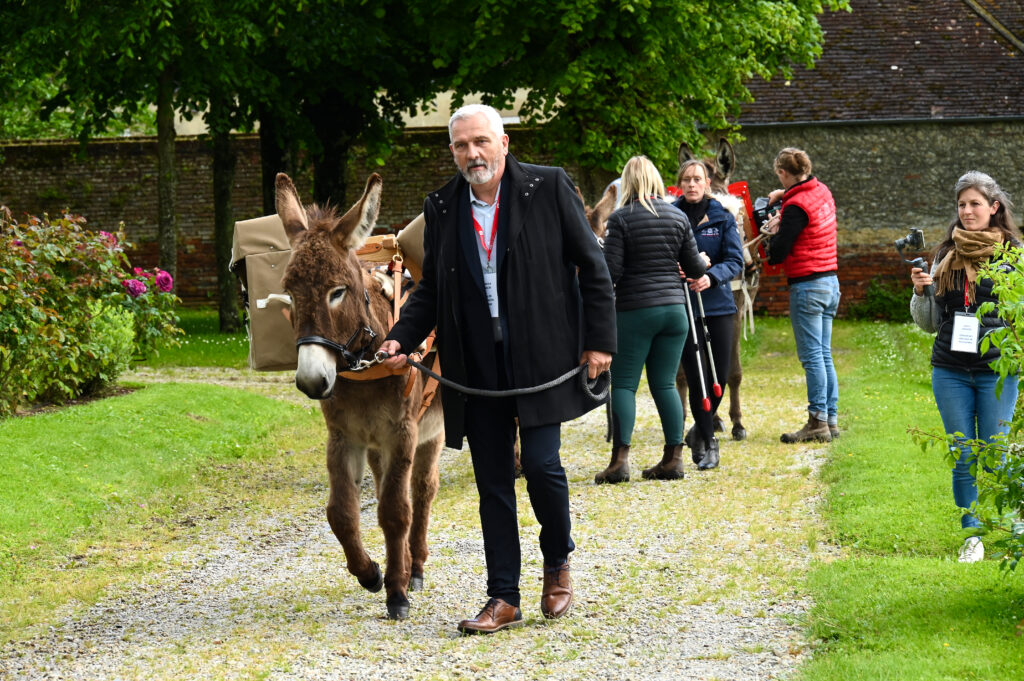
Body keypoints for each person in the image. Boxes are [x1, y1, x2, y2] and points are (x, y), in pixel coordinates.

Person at [378, 104, 616, 634]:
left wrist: (600, 341)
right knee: (491, 481)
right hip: (476, 365)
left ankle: (557, 563)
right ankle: (502, 595)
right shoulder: (440, 206)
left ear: (503, 143)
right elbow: (434, 289)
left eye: (481, 142)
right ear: (453, 151)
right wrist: (400, 337)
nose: (473, 154)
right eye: (462, 146)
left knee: (543, 465)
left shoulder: (549, 188)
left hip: (540, 357)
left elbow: (592, 266)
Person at [910, 170, 1022, 563]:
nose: (967, 211)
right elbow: (928, 323)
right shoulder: (945, 255)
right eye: (962, 204)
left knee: (995, 452)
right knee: (963, 453)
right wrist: (920, 291)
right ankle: (972, 535)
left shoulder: (1014, 255)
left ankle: (1010, 527)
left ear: (994, 208)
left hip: (997, 372)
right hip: (950, 370)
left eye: (975, 203)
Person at [593, 155, 707, 484]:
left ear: (626, 183)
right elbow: (696, 268)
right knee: (665, 384)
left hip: (635, 310)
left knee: (625, 384)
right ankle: (673, 459)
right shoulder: (677, 217)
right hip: (675, 312)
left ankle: (619, 462)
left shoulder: (621, 220)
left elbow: (610, 273)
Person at [761, 147, 840, 443]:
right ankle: (830, 420)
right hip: (831, 281)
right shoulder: (821, 191)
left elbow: (779, 252)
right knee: (824, 354)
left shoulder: (795, 209)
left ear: (783, 173)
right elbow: (803, 196)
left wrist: (773, 232)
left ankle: (816, 421)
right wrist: (782, 196)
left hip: (807, 285)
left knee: (812, 358)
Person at [673, 159, 744, 469]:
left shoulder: (721, 217)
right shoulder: (670, 216)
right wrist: (674, 268)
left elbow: (735, 260)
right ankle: (708, 441)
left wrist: (711, 275)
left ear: (706, 183)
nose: (691, 184)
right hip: (684, 306)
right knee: (697, 376)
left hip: (718, 305)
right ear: (680, 183)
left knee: (718, 376)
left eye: (697, 179)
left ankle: (699, 431)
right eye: (686, 179)